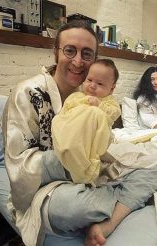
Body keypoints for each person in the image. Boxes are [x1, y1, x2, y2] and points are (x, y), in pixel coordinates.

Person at [2, 21, 157, 246]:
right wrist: (72, 157)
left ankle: (109, 221)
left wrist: (99, 151)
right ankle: (127, 197)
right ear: (55, 53)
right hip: (50, 188)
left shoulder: (93, 93)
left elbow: (103, 141)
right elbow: (19, 167)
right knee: (72, 208)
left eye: (87, 54)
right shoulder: (28, 93)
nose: (78, 61)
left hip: (94, 171)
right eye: (70, 50)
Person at [52, 58, 121, 186]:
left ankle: (86, 169)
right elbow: (65, 113)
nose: (92, 85)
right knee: (57, 120)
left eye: (100, 84)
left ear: (112, 88)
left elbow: (114, 114)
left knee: (95, 114)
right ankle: (70, 155)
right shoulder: (76, 96)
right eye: (89, 80)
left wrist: (99, 105)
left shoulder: (109, 102)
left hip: (93, 138)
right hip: (73, 133)